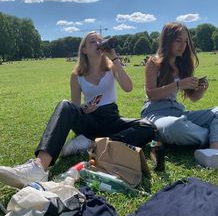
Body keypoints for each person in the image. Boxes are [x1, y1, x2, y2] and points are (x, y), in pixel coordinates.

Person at [0, 31, 156, 189]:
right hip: (89, 121)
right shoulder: (77, 75)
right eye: (92, 42)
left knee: (148, 126)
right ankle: (38, 167)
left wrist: (114, 58)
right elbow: (75, 106)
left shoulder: (111, 67)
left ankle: (90, 144)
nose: (98, 44)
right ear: (84, 50)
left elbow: (128, 88)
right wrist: (85, 108)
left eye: (100, 41)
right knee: (65, 105)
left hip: (111, 119)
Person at [141, 22, 218, 175]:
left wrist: (201, 90)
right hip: (155, 113)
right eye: (178, 40)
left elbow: (193, 98)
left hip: (178, 111)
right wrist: (178, 84)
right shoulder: (153, 63)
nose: (183, 45)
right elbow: (151, 94)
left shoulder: (183, 64)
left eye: (185, 41)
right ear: (167, 40)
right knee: (175, 126)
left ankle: (215, 152)